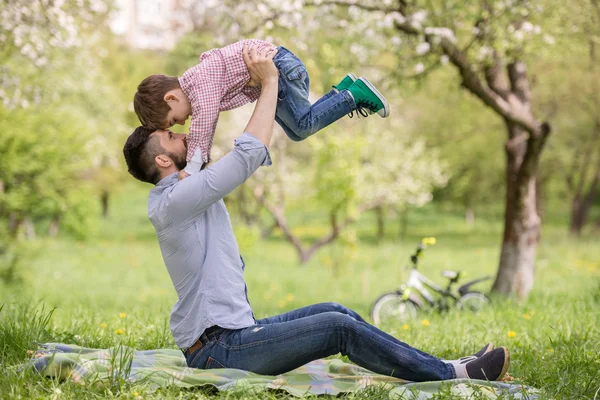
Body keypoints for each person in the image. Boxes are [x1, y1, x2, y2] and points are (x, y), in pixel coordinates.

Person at [122, 46, 510, 382]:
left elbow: (224, 133)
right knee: (338, 328)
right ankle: (452, 375)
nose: (185, 132)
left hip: (233, 333)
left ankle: (440, 364)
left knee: (336, 311)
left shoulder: (185, 188)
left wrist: (250, 80)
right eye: (173, 135)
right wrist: (270, 82)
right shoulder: (177, 198)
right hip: (218, 349)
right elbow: (249, 154)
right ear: (161, 159)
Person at [133, 39, 390, 177]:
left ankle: (354, 95)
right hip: (279, 67)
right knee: (297, 131)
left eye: (174, 121)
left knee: (302, 126)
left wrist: (193, 167)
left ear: (171, 99)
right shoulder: (199, 83)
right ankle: (340, 92)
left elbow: (205, 121)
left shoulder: (200, 86)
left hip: (280, 66)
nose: (183, 123)